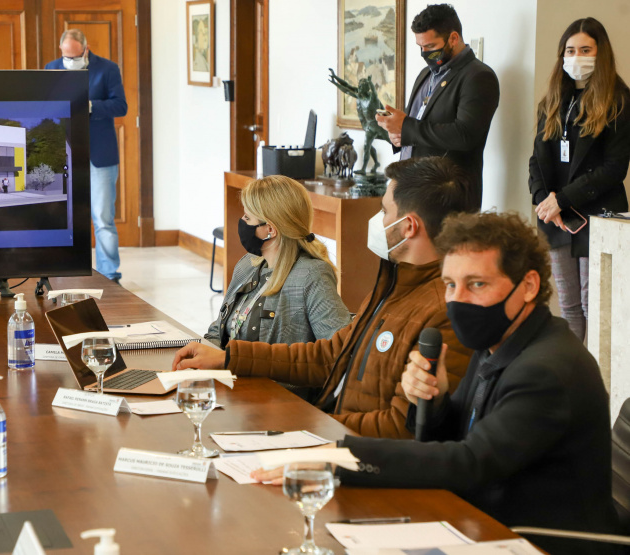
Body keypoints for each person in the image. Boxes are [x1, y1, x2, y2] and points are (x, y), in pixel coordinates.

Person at [253, 212, 621, 555]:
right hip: (478, 523)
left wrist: (339, 458)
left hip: (536, 541)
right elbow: (459, 438)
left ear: (528, 286)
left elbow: (469, 462)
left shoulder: (548, 370)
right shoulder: (499, 341)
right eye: (450, 285)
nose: (457, 300)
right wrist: (434, 400)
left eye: (476, 284)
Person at [173, 157, 473, 438]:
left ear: (408, 226)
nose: (377, 219)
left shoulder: (444, 311)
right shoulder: (392, 287)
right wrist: (228, 357)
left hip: (350, 450)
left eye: (383, 211)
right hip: (329, 431)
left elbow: (401, 426)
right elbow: (330, 355)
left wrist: (306, 423)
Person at [529, 17, 630, 342]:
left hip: (596, 218)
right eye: (570, 50)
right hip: (557, 220)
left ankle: (596, 386)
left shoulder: (619, 100)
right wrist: (544, 201)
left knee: (594, 306)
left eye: (585, 49)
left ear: (601, 54)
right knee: (569, 306)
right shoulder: (555, 99)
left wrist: (562, 199)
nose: (576, 57)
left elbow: (614, 169)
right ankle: (572, 381)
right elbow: (537, 161)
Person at [375, 4, 499, 211]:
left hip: (447, 197)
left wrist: (406, 127)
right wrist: (398, 134)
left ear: (453, 38)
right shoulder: (425, 74)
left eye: (431, 47)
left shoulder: (478, 76)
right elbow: (416, 124)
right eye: (420, 47)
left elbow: (465, 135)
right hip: (412, 189)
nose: (424, 53)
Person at [205, 175, 350, 351]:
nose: (242, 222)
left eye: (247, 217)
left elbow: (340, 350)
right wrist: (205, 357)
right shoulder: (247, 265)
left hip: (267, 379)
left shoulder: (312, 275)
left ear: (270, 230)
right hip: (229, 374)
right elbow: (218, 329)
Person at [45, 29, 128, 282]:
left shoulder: (108, 69)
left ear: (85, 49)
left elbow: (120, 106)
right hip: (64, 153)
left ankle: (109, 274)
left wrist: (90, 105)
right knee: (62, 216)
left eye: (75, 56)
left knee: (103, 218)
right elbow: (45, 104)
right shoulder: (51, 68)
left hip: (100, 156)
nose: (70, 61)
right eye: (66, 56)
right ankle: (62, 266)